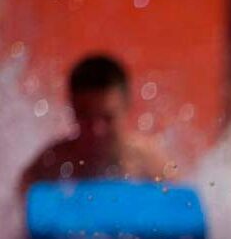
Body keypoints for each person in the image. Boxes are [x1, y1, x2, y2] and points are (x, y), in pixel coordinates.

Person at [18, 54, 173, 195]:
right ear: (72, 108)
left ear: (127, 107)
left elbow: (182, 211)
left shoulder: (150, 165)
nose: (97, 130)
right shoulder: (51, 164)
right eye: (85, 117)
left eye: (107, 118)